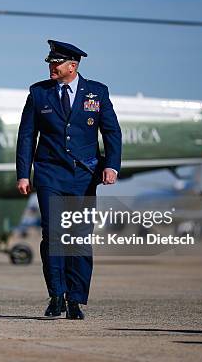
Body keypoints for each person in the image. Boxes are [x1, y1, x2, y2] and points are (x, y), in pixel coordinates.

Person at [16, 40, 122, 319]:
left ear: (72, 66)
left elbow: (111, 132)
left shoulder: (97, 92)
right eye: (51, 62)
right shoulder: (38, 93)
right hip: (50, 172)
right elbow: (27, 136)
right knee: (53, 236)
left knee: (79, 238)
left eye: (57, 63)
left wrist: (111, 166)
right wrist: (23, 174)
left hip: (82, 175)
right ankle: (56, 295)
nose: (52, 66)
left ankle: (75, 299)